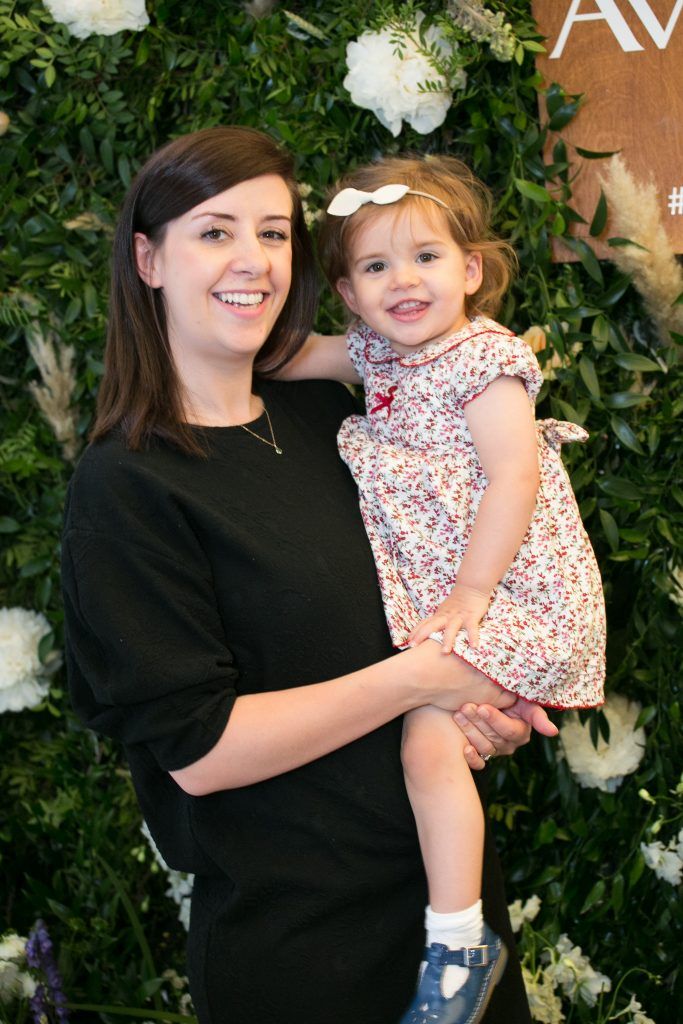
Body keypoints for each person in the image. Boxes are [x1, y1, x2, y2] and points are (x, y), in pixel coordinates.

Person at [60, 127, 558, 1024]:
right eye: (214, 231)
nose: (251, 259)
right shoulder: (126, 485)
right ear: (148, 257)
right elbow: (202, 754)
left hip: (451, 929)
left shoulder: (341, 410)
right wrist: (430, 675)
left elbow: (445, 577)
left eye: (275, 232)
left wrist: (483, 703)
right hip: (301, 955)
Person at [281, 155, 605, 1024]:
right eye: (375, 267)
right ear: (348, 293)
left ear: (469, 270)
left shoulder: (484, 360)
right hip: (463, 605)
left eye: (425, 257)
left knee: (425, 748)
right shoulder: (373, 355)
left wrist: (469, 593)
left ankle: (457, 942)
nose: (404, 281)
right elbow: (284, 355)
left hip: (513, 593)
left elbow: (514, 479)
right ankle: (460, 938)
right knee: (435, 742)